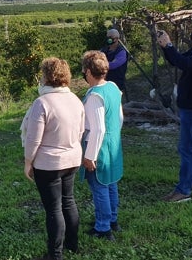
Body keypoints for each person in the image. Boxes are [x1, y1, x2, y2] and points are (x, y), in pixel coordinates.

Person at [23, 57, 85, 260]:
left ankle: (55, 254)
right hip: (72, 158)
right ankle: (73, 244)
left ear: (46, 76)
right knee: (68, 201)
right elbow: (81, 131)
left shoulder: (42, 103)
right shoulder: (75, 99)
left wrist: (28, 161)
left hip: (49, 163)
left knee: (53, 209)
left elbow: (33, 139)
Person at [157, 20, 192, 202]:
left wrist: (169, 45)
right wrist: (166, 47)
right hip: (191, 105)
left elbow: (186, 64)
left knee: (187, 148)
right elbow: (178, 60)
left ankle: (183, 190)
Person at [81, 50, 124, 241]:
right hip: (113, 143)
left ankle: (103, 227)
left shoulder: (95, 96)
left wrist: (90, 155)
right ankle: (113, 220)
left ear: (89, 71)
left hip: (99, 147)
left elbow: (97, 129)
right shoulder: (113, 87)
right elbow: (120, 117)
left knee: (99, 187)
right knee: (111, 183)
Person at [100, 28, 128, 94]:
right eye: (107, 37)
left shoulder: (121, 52)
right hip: (105, 82)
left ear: (116, 39)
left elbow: (113, 65)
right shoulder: (104, 49)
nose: (108, 39)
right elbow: (96, 57)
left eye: (110, 37)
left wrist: (99, 64)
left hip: (117, 83)